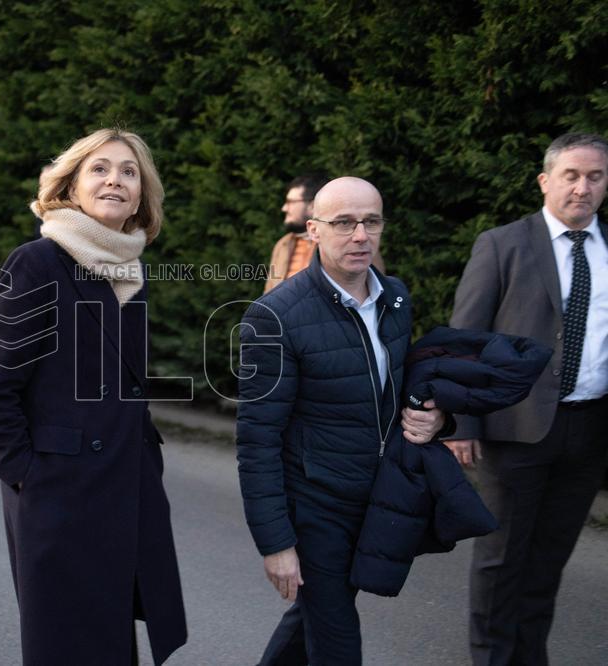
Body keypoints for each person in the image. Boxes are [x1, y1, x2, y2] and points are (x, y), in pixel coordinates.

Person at [0, 129, 188, 665]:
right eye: (100, 168)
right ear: (71, 184)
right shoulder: (38, 262)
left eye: (129, 171)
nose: (115, 178)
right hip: (58, 495)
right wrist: (27, 476)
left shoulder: (129, 270)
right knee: (67, 647)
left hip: (123, 485)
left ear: (142, 195)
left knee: (113, 643)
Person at [237, 176, 446, 665]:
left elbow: (400, 387)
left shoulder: (395, 298)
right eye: (344, 223)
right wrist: (276, 543)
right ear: (313, 230)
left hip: (372, 495)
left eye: (371, 222)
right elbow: (257, 439)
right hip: (312, 507)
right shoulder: (274, 316)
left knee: (308, 624)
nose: (360, 235)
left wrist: (438, 418)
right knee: (337, 643)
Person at [447, 132, 608, 665]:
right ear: (545, 181)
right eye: (571, 175)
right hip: (514, 429)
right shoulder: (503, 244)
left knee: (548, 563)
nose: (582, 187)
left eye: (595, 176)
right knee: (500, 563)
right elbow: (465, 339)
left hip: (588, 432)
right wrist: (462, 425)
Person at [263, 174, 385, 293]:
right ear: (312, 229)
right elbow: (270, 289)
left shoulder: (357, 248)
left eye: (291, 202)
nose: (284, 208)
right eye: (344, 223)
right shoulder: (283, 244)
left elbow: (373, 291)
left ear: (312, 206)